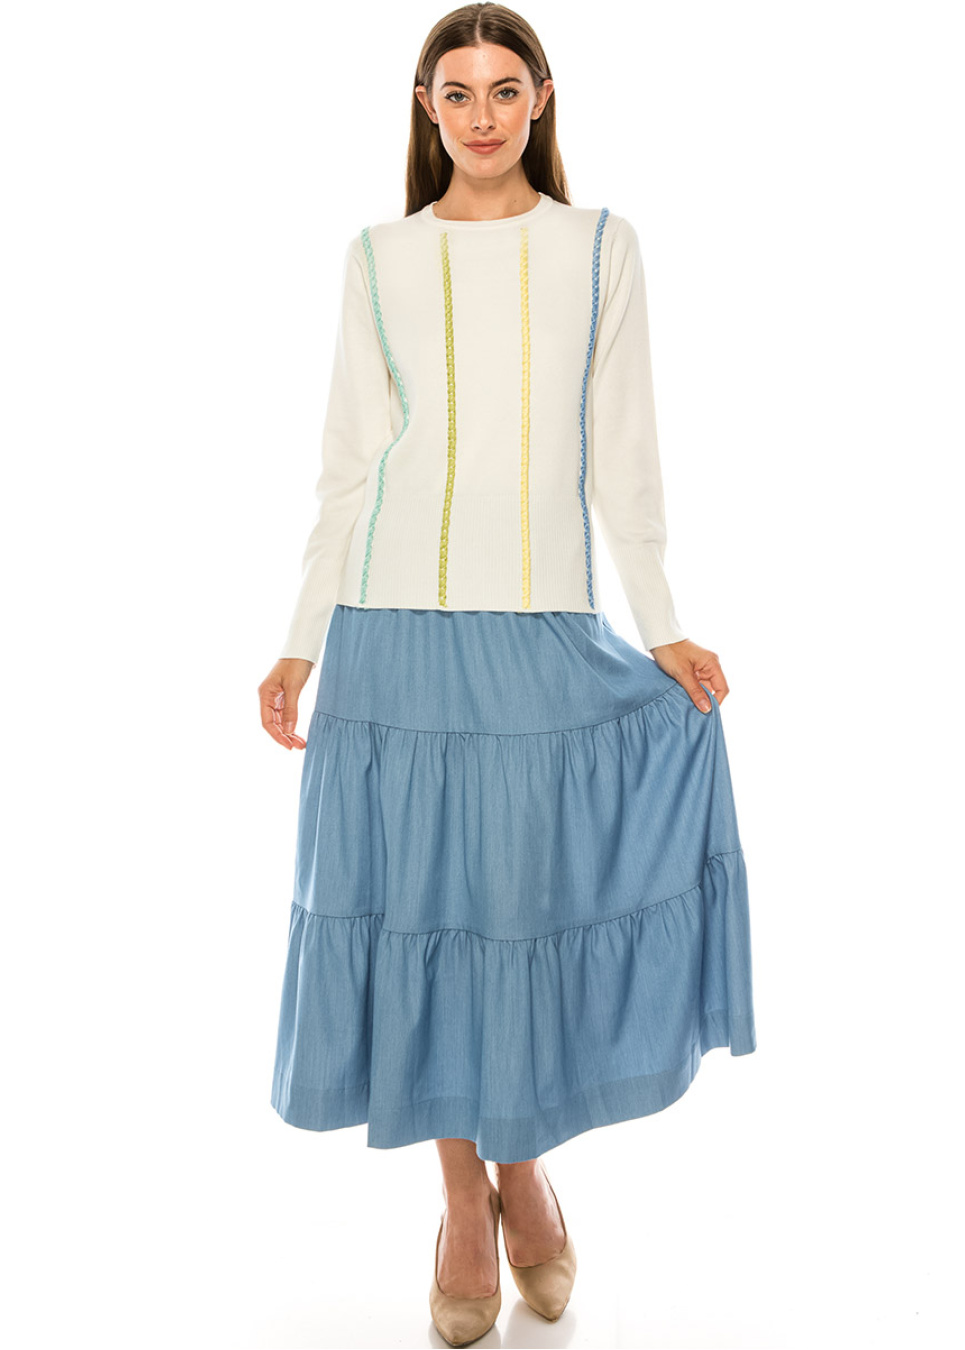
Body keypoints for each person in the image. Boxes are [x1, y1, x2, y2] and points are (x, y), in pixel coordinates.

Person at [257, 6, 757, 1345]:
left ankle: (521, 1172)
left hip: (537, 625)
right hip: (389, 632)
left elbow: (622, 448)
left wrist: (660, 623)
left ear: (540, 97)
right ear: (425, 107)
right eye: (456, 92)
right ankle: (462, 1206)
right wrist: (302, 636)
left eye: (503, 89)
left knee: (515, 917)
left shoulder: (601, 247)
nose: (480, 115)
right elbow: (348, 463)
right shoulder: (376, 258)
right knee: (424, 914)